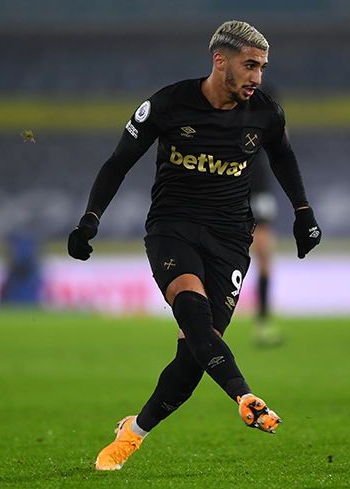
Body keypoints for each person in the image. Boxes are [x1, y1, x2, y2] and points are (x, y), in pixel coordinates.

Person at [67, 20, 322, 471]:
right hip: (173, 229)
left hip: (229, 241)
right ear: (219, 61)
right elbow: (118, 163)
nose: (256, 77)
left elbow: (283, 156)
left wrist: (303, 214)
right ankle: (244, 396)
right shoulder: (167, 104)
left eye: (262, 67)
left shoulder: (265, 112)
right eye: (249, 65)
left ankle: (134, 431)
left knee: (194, 354)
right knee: (195, 316)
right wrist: (91, 219)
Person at [248, 151, 283, 346]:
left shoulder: (264, 125)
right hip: (233, 191)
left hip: (259, 196)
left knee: (264, 258)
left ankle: (262, 321)